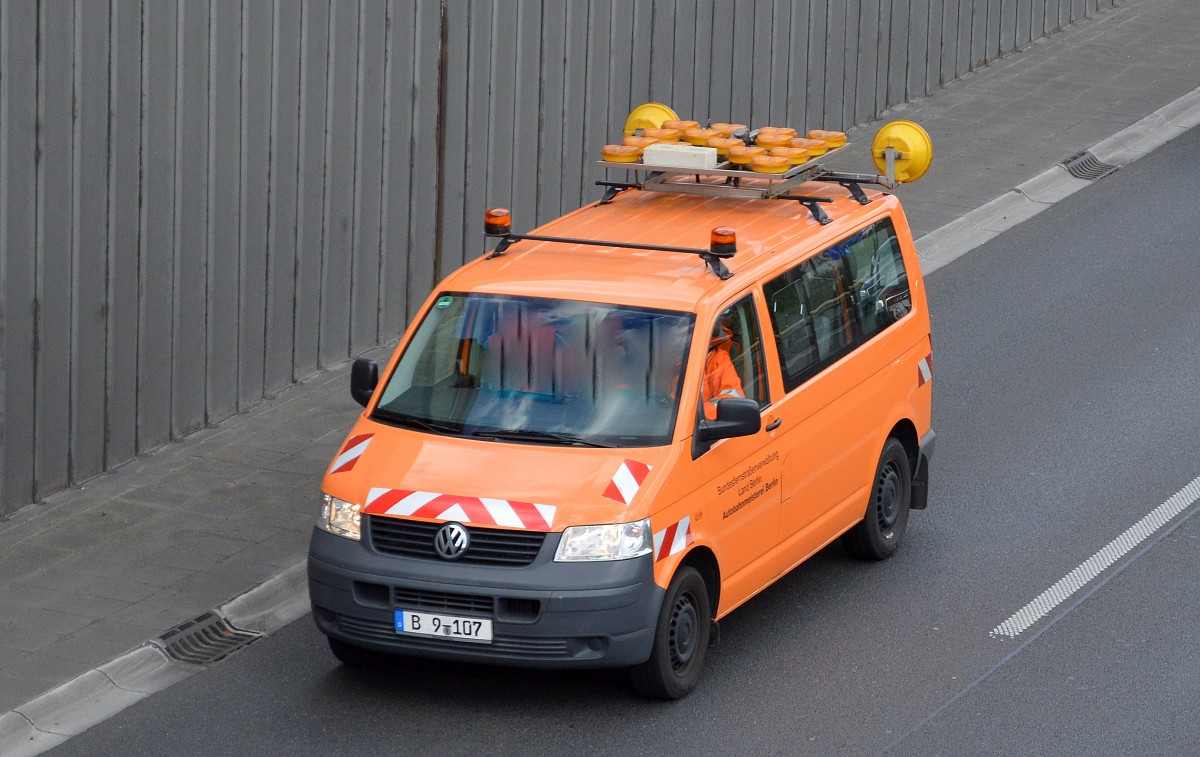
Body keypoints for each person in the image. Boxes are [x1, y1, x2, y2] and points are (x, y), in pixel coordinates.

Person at [702, 318, 745, 420]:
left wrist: (694, 417)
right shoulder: (660, 356)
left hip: (693, 430)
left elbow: (733, 398)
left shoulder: (715, 358)